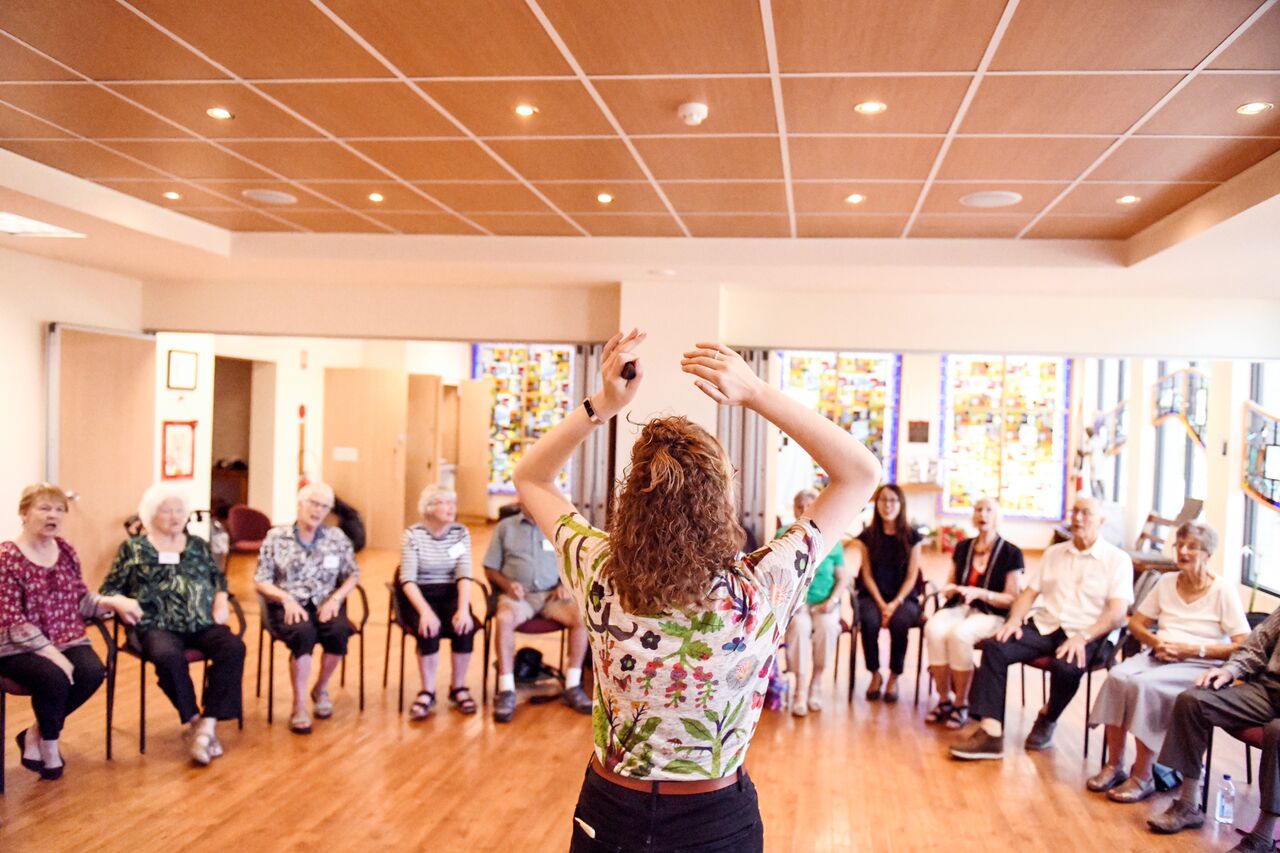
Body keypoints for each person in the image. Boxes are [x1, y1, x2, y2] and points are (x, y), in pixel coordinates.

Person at [513, 330, 881, 851]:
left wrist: (605, 405)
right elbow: (860, 474)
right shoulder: (759, 587)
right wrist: (755, 392)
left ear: (632, 496)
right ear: (722, 497)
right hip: (715, 819)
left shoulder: (600, 572)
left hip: (611, 812)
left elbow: (531, 477)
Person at [950, 496, 1133, 760]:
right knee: (995, 647)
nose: (1079, 518)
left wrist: (1083, 636)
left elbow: (1117, 614)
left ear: (1102, 521)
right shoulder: (1054, 554)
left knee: (1067, 666)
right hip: (1048, 625)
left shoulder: (1117, 560)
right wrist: (1013, 621)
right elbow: (1028, 594)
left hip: (1090, 631)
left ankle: (1048, 716)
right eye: (1075, 512)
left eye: (1087, 514)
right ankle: (990, 733)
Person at [1084, 520, 1247, 803]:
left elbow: (1242, 645)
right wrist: (1157, 642)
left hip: (1199, 663)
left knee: (1144, 686)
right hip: (1161, 654)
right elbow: (1136, 624)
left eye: (1192, 547)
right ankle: (1114, 764)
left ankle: (1143, 776)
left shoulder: (1223, 590)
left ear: (1208, 553)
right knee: (1117, 677)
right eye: (1180, 545)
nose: (1183, 551)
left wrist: (1192, 650)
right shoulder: (1166, 582)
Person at [0, 483, 141, 780]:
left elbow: (80, 599)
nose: (53, 515)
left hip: (66, 636)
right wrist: (55, 656)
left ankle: (35, 733)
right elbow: (12, 619)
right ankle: (50, 746)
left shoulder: (65, 550)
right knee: (54, 676)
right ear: (23, 513)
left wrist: (111, 601)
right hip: (17, 645)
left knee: (92, 671)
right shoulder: (7, 557)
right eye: (44, 508)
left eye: (59, 509)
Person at [101, 484, 247, 765]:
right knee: (167, 657)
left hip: (201, 622)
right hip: (155, 625)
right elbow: (109, 589)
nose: (175, 516)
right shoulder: (134, 549)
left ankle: (208, 724)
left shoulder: (198, 546)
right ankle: (194, 721)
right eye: (167, 510)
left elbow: (219, 579)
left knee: (233, 647)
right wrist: (121, 603)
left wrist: (220, 600)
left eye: (180, 510)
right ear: (151, 515)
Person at [1147, 613, 1280, 851]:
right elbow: (1257, 643)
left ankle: (1263, 837)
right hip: (1268, 691)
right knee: (1192, 701)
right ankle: (1188, 804)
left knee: (1277, 731)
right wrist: (1231, 670)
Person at [254, 482, 360, 734]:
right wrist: (286, 599)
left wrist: (336, 599)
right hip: (288, 603)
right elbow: (261, 579)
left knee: (338, 632)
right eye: (313, 503)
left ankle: (321, 687)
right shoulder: (276, 538)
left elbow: (352, 574)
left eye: (324, 506)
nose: (318, 510)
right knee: (303, 634)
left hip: (326, 601)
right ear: (300, 503)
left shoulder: (336, 538)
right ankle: (299, 704)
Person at [484, 501, 590, 723]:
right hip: (519, 597)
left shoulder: (557, 529)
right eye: (522, 498)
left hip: (551, 596)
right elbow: (490, 567)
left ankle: (572, 684)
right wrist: (507, 585)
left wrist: (565, 584)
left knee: (582, 618)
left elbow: (574, 565)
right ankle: (506, 689)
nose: (525, 502)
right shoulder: (505, 528)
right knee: (503, 619)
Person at [924, 497, 1024, 729]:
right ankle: (944, 699)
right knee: (934, 629)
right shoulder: (963, 547)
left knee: (960, 635)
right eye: (979, 509)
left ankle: (961, 704)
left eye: (989, 510)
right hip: (959, 607)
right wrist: (950, 590)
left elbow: (1012, 598)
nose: (983, 514)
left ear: (998, 516)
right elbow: (950, 583)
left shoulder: (1011, 553)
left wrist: (981, 593)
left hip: (991, 613)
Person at [397, 485, 478, 719]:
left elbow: (464, 572)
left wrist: (463, 609)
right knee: (428, 629)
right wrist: (425, 612)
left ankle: (458, 687)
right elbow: (407, 579)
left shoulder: (460, 532)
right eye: (445, 503)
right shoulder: (413, 535)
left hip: (451, 591)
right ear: (429, 508)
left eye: (453, 503)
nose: (451, 508)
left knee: (464, 626)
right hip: (419, 593)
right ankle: (428, 690)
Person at [780, 488, 850, 716]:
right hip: (797, 604)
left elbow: (842, 578)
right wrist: (791, 602)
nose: (804, 511)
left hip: (825, 603)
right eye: (799, 507)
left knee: (828, 627)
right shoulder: (784, 534)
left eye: (809, 506)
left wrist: (833, 600)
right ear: (794, 510)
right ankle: (800, 689)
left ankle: (816, 684)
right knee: (800, 628)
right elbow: (778, 575)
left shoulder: (832, 536)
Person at [851, 484, 922, 703]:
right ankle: (875, 674)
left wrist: (895, 603)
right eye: (883, 500)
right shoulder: (867, 536)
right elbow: (867, 575)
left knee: (900, 623)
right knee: (869, 622)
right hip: (873, 595)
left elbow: (912, 576)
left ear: (901, 504)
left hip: (904, 596)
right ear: (876, 504)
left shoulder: (913, 537)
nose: (887, 505)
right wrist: (882, 604)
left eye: (893, 500)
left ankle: (894, 676)